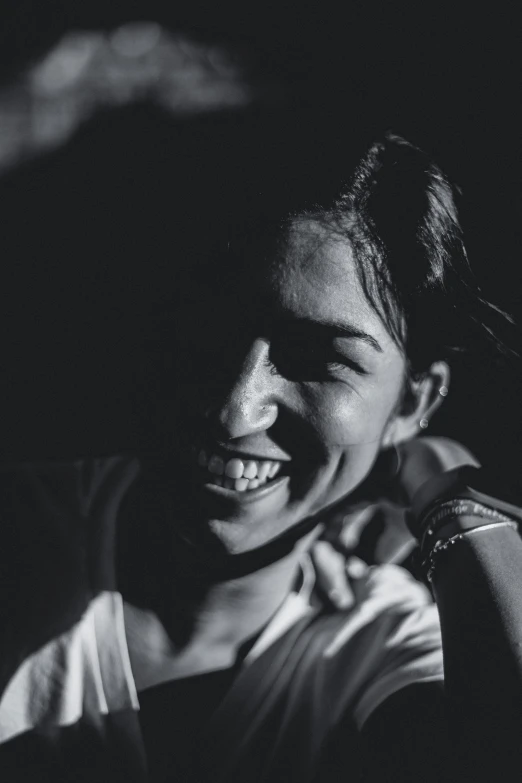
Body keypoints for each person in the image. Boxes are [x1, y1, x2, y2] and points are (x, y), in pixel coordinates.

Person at [1, 127, 521, 783]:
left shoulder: (380, 641)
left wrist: (451, 496)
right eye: (211, 330)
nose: (234, 408)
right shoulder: (18, 535)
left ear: (415, 401)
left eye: (319, 360)